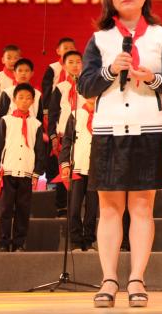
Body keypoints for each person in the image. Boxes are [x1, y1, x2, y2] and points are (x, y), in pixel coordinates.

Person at [79, 0, 162, 308]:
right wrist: (111, 70)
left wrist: (152, 78)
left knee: (142, 207)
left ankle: (137, 278)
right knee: (109, 208)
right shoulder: (100, 39)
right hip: (109, 129)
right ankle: (109, 279)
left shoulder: (161, 35)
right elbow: (85, 86)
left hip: (147, 128)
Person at [0, 83, 47, 252]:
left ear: (33, 101)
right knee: (6, 209)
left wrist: (37, 172)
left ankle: (19, 243)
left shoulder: (36, 124)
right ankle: (3, 242)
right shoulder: (5, 121)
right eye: (21, 97)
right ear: (14, 100)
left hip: (26, 173)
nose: (24, 101)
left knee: (23, 210)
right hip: (8, 170)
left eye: (28, 98)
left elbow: (40, 150)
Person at [41, 36, 77, 217]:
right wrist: (47, 115)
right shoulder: (53, 69)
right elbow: (47, 92)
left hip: (78, 128)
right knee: (55, 159)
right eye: (66, 48)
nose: (69, 50)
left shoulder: (83, 79)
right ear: (58, 51)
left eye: (72, 47)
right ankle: (54, 193)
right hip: (55, 121)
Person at [47, 50, 83, 218]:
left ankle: (81, 208)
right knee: (64, 171)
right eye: (71, 62)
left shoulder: (88, 86)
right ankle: (62, 207)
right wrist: (53, 136)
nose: (75, 65)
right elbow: (53, 114)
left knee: (82, 173)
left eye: (78, 62)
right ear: (64, 65)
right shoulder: (60, 88)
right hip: (64, 136)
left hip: (84, 135)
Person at [60, 95, 99, 251]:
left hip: (96, 169)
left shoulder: (104, 114)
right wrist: (65, 163)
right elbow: (67, 140)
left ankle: (88, 240)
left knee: (92, 208)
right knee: (74, 206)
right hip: (77, 166)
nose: (92, 96)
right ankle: (75, 241)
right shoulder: (75, 114)